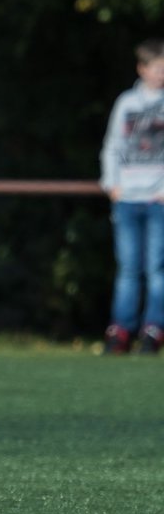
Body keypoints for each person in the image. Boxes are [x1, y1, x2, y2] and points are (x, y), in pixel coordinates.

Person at [101, 39, 164, 355]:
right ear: (142, 69)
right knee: (128, 268)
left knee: (157, 267)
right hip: (127, 198)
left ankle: (153, 329)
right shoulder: (127, 103)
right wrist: (112, 184)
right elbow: (113, 144)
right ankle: (121, 329)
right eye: (157, 67)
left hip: (158, 200)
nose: (162, 74)